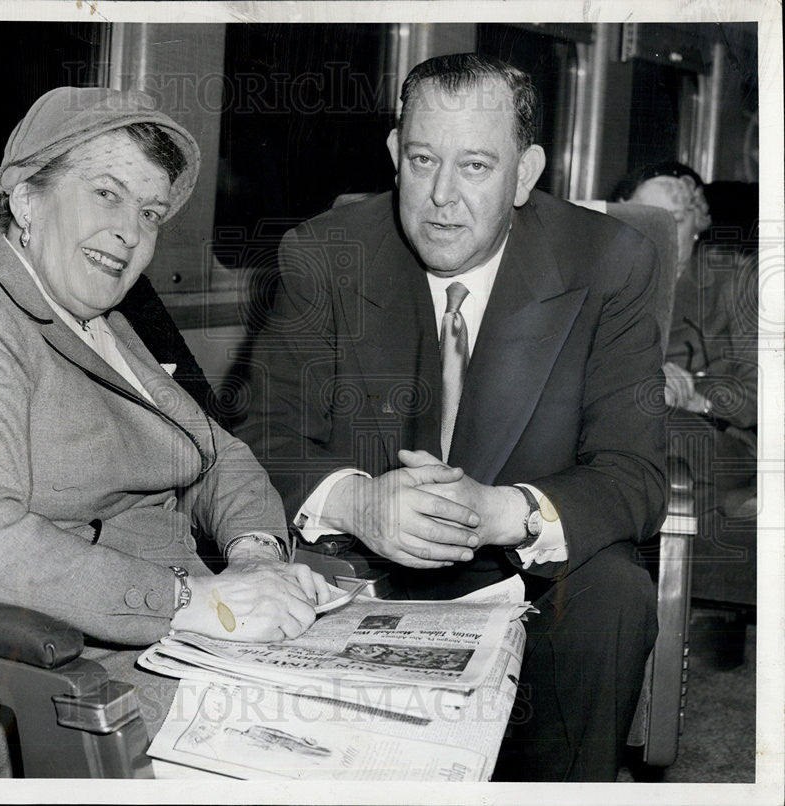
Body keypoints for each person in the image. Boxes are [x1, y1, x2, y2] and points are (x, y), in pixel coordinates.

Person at [238, 54, 665, 781]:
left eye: (474, 166)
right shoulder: (324, 253)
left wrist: (501, 513)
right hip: (356, 571)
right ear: (394, 156)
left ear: (525, 174)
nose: (441, 198)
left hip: (526, 577)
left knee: (617, 590)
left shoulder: (609, 263)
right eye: (422, 159)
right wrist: (357, 501)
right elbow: (260, 435)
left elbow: (635, 473)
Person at [0, 87, 330, 739]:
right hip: (64, 682)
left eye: (150, 212)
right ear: (27, 197)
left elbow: (216, 455)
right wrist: (194, 601)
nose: (131, 231)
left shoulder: (107, 323)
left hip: (177, 643)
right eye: (106, 194)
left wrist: (256, 555)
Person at [613, 162, 758, 507]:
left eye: (674, 220)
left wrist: (692, 396)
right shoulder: (604, 279)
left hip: (715, 437)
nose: (659, 233)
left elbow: (761, 393)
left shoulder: (735, 281)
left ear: (698, 221)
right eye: (646, 217)